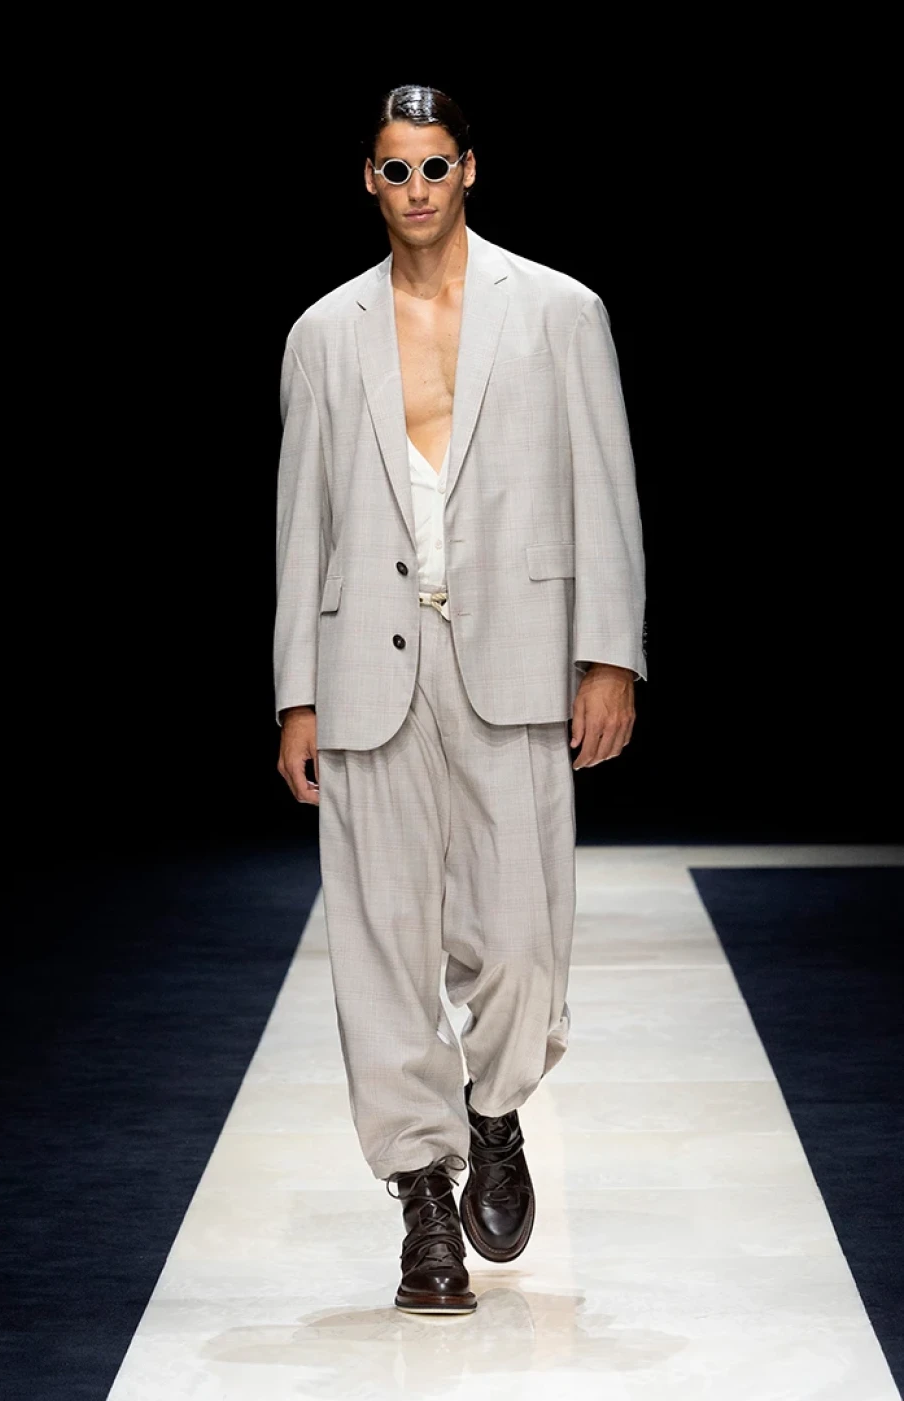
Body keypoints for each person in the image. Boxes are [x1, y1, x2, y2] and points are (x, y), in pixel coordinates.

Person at [274, 84, 647, 1315]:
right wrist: (294, 693)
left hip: (516, 654)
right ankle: (422, 1197)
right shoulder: (323, 332)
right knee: (380, 947)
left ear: (469, 169)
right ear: (368, 180)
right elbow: (303, 522)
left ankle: (493, 1111)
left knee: (526, 941)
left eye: (435, 165)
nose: (418, 188)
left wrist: (608, 655)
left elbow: (602, 484)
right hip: (364, 668)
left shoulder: (557, 310)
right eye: (397, 169)